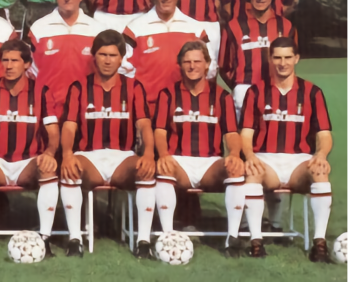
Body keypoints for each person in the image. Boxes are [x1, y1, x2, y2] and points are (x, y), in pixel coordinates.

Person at [59, 30, 156, 259]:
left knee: (146, 171)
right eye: (102, 54)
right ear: (94, 56)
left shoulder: (133, 87)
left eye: (113, 55)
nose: (107, 60)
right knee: (70, 170)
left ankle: (143, 242)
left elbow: (144, 124)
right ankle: (75, 239)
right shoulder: (79, 87)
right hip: (89, 156)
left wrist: (149, 154)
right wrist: (67, 154)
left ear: (121, 58)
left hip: (122, 157)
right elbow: (69, 126)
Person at [240, 37, 333, 262]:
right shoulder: (255, 92)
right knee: (252, 172)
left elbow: (324, 134)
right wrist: (249, 156)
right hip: (266, 160)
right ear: (270, 59)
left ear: (297, 58)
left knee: (320, 170)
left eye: (288, 57)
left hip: (299, 161)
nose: (283, 63)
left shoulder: (312, 92)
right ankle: (256, 241)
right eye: (278, 58)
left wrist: (321, 154)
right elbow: (246, 133)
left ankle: (319, 243)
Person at [0, 40, 60, 258]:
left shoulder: (41, 92)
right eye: (5, 60)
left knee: (48, 167)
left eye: (14, 61)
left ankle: (45, 239)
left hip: (28, 162)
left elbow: (53, 132)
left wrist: (49, 153)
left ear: (27, 64)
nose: (8, 66)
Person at [153, 41, 245, 257]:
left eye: (197, 61)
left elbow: (231, 133)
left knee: (235, 169)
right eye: (187, 62)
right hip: (179, 162)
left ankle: (232, 238)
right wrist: (163, 154)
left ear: (207, 64)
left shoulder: (222, 96)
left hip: (209, 163)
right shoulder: (167, 94)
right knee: (164, 168)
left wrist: (233, 154)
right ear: (180, 65)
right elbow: (159, 131)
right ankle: (168, 236)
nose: (192, 66)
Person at [122, 0, 215, 114]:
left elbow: (210, 67)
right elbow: (123, 69)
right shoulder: (134, 29)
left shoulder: (195, 28)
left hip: (185, 107)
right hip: (148, 108)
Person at [220, 0, 297, 119]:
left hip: (277, 89)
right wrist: (238, 87)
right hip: (244, 89)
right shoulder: (233, 26)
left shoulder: (286, 26)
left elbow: (291, 61)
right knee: (244, 133)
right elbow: (224, 65)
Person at [26, 0, 105, 119]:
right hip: (48, 108)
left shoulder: (97, 29)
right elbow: (30, 69)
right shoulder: (39, 28)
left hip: (86, 108)